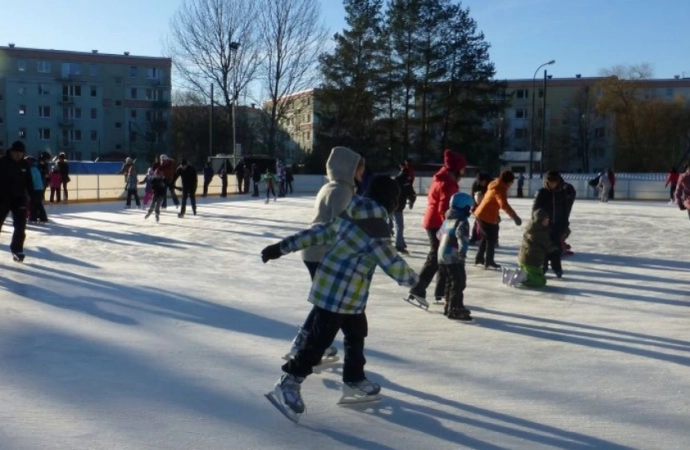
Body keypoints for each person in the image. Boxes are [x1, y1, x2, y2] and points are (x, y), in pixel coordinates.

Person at [261, 175, 419, 420]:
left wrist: (282, 247)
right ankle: (288, 382)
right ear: (389, 200)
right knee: (319, 342)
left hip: (347, 294)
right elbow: (391, 262)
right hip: (337, 294)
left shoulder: (351, 212)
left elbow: (320, 232)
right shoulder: (376, 228)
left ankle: (354, 378)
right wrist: (412, 280)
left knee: (356, 334)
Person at [285, 146, 364, 360]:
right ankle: (303, 342)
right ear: (348, 169)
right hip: (323, 252)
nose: (361, 175)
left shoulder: (330, 187)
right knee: (325, 303)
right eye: (359, 171)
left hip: (313, 250)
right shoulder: (342, 191)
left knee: (324, 301)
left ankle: (318, 342)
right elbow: (340, 227)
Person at [407, 149, 466, 306]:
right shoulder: (448, 183)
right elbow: (444, 208)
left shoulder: (442, 178)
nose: (464, 172)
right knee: (436, 257)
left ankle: (440, 291)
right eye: (462, 169)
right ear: (456, 169)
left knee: (440, 256)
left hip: (433, 220)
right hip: (437, 223)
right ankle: (418, 289)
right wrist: (447, 227)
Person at [473, 170, 522, 270]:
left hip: (485, 214)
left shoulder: (495, 184)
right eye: (511, 182)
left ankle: (480, 258)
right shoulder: (500, 189)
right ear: (508, 181)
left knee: (486, 237)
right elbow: (503, 204)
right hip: (484, 215)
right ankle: (489, 260)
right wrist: (514, 216)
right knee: (491, 238)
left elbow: (493, 203)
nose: (511, 184)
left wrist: (496, 216)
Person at [437, 193, 473, 320]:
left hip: (441, 255)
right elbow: (462, 237)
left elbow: (438, 235)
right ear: (463, 207)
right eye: (469, 207)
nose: (470, 210)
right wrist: (462, 252)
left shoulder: (447, 220)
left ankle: (449, 306)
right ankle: (455, 308)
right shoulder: (462, 221)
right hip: (454, 256)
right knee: (459, 282)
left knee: (450, 281)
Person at [0, 141, 34, 262]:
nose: (18, 155)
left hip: (19, 199)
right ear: (11, 151)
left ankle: (17, 249)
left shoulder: (24, 164)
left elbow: (29, 182)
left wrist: (34, 198)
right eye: (16, 153)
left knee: (20, 226)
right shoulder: (2, 162)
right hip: (2, 198)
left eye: (21, 153)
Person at [533, 171, 568, 278]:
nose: (553, 184)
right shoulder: (541, 192)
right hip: (544, 226)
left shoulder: (561, 193)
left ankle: (557, 268)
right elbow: (535, 210)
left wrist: (565, 225)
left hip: (557, 225)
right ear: (546, 182)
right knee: (543, 247)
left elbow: (565, 210)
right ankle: (543, 266)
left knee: (556, 247)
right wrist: (537, 222)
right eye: (551, 182)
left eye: (555, 182)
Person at [516, 209, 559, 288]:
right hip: (531, 261)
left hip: (524, 258)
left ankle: (521, 274)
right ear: (539, 221)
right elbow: (548, 247)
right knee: (540, 282)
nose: (547, 222)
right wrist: (557, 248)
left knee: (541, 277)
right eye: (545, 221)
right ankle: (521, 278)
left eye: (548, 220)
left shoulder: (531, 228)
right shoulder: (540, 233)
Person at [392, 162, 416, 254]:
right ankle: (399, 245)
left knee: (390, 224)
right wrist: (411, 200)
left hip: (391, 205)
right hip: (397, 207)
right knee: (399, 226)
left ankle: (401, 242)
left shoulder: (395, 180)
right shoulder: (406, 181)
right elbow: (411, 193)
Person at [26, 156, 48, 224]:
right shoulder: (35, 169)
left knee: (33, 204)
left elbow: (32, 180)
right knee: (37, 204)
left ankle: (33, 217)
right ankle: (42, 217)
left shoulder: (32, 170)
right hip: (39, 188)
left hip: (36, 189)